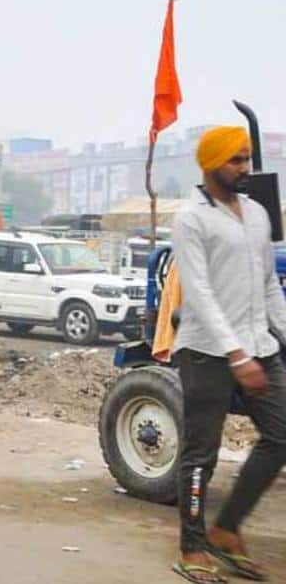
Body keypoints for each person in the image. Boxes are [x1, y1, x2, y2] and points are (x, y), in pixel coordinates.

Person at [169, 125, 286, 583]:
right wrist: (236, 355)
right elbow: (198, 294)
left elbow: (268, 285)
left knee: (281, 436)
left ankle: (227, 529)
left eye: (248, 159)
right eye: (236, 160)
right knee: (201, 454)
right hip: (206, 351)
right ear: (210, 163)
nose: (245, 168)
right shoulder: (191, 218)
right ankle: (192, 547)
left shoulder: (257, 214)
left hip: (260, 344)